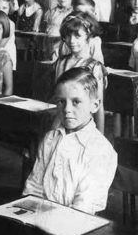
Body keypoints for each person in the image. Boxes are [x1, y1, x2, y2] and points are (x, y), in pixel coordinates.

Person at [22, 67, 117, 215]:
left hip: (75, 224)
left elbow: (83, 206)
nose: (67, 109)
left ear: (95, 105)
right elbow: (34, 187)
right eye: (61, 101)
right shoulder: (51, 139)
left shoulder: (100, 150)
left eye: (76, 102)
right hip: (41, 217)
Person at [54, 12, 107, 132]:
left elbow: (99, 106)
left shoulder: (94, 67)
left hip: (82, 124)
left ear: (88, 36)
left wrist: (100, 137)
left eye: (77, 36)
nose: (72, 41)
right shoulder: (61, 63)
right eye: (68, 35)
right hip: (62, 120)